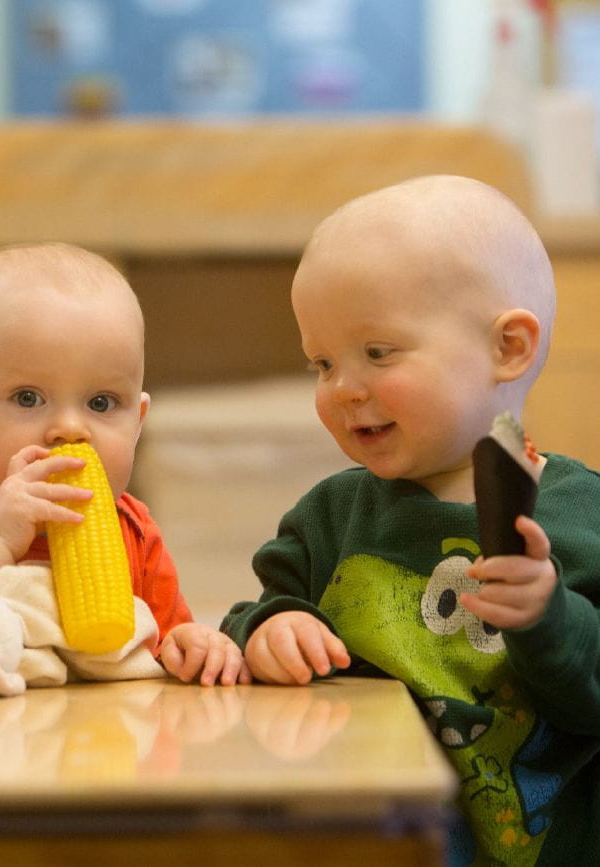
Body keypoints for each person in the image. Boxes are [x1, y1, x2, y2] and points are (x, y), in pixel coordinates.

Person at [221, 175, 600, 865]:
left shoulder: (583, 520)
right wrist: (269, 629)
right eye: (322, 362)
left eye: (377, 352)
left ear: (507, 348)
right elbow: (251, 612)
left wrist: (549, 615)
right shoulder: (328, 516)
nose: (342, 388)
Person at [0, 241, 247, 688]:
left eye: (101, 402)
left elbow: (160, 647)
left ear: (137, 425)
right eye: (28, 398)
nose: (69, 429)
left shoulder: (134, 533)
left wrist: (193, 646)